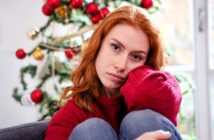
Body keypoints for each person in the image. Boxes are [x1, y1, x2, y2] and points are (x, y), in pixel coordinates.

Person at [44, 5, 183, 140]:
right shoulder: (70, 116)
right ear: (98, 45)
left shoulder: (147, 99)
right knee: (92, 130)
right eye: (115, 47)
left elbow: (168, 99)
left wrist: (144, 76)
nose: (121, 65)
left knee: (138, 121)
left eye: (136, 57)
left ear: (146, 62)